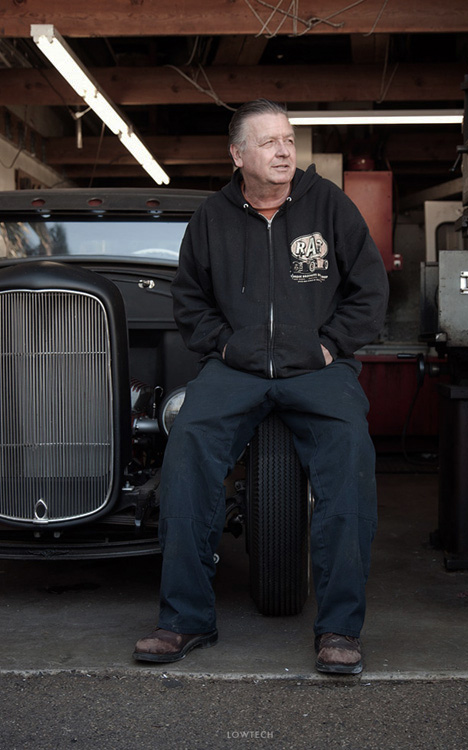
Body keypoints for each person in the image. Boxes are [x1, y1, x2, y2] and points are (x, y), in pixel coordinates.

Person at [134, 99, 389, 674]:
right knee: (187, 449)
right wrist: (225, 347)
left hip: (317, 368)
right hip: (236, 368)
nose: (283, 152)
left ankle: (340, 629)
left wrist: (328, 347)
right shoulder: (211, 218)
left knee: (350, 456)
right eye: (269, 142)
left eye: (288, 140)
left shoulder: (330, 205)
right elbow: (190, 300)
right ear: (237, 154)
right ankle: (184, 619)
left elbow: (369, 291)